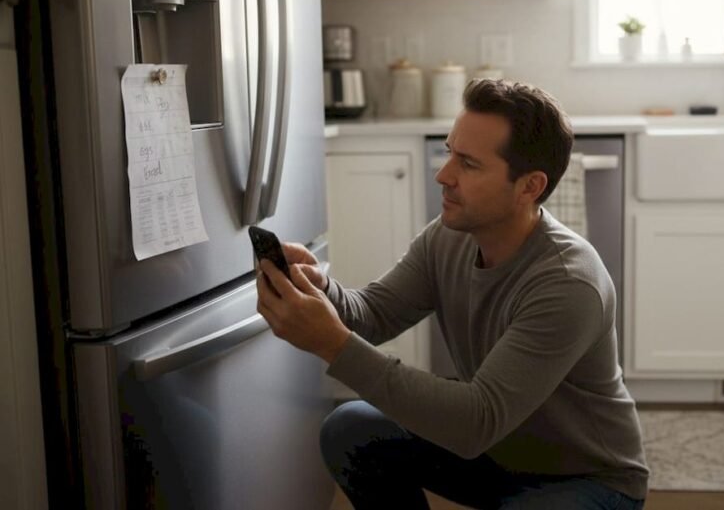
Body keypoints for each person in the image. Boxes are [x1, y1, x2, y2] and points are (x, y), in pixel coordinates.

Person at [255, 79, 648, 509]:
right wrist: (320, 289)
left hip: (586, 479)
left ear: (530, 187)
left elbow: (475, 421)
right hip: (494, 455)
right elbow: (372, 314)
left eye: (469, 164)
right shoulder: (449, 237)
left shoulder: (568, 282)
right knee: (350, 429)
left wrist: (333, 344)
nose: (444, 175)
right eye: (449, 153)